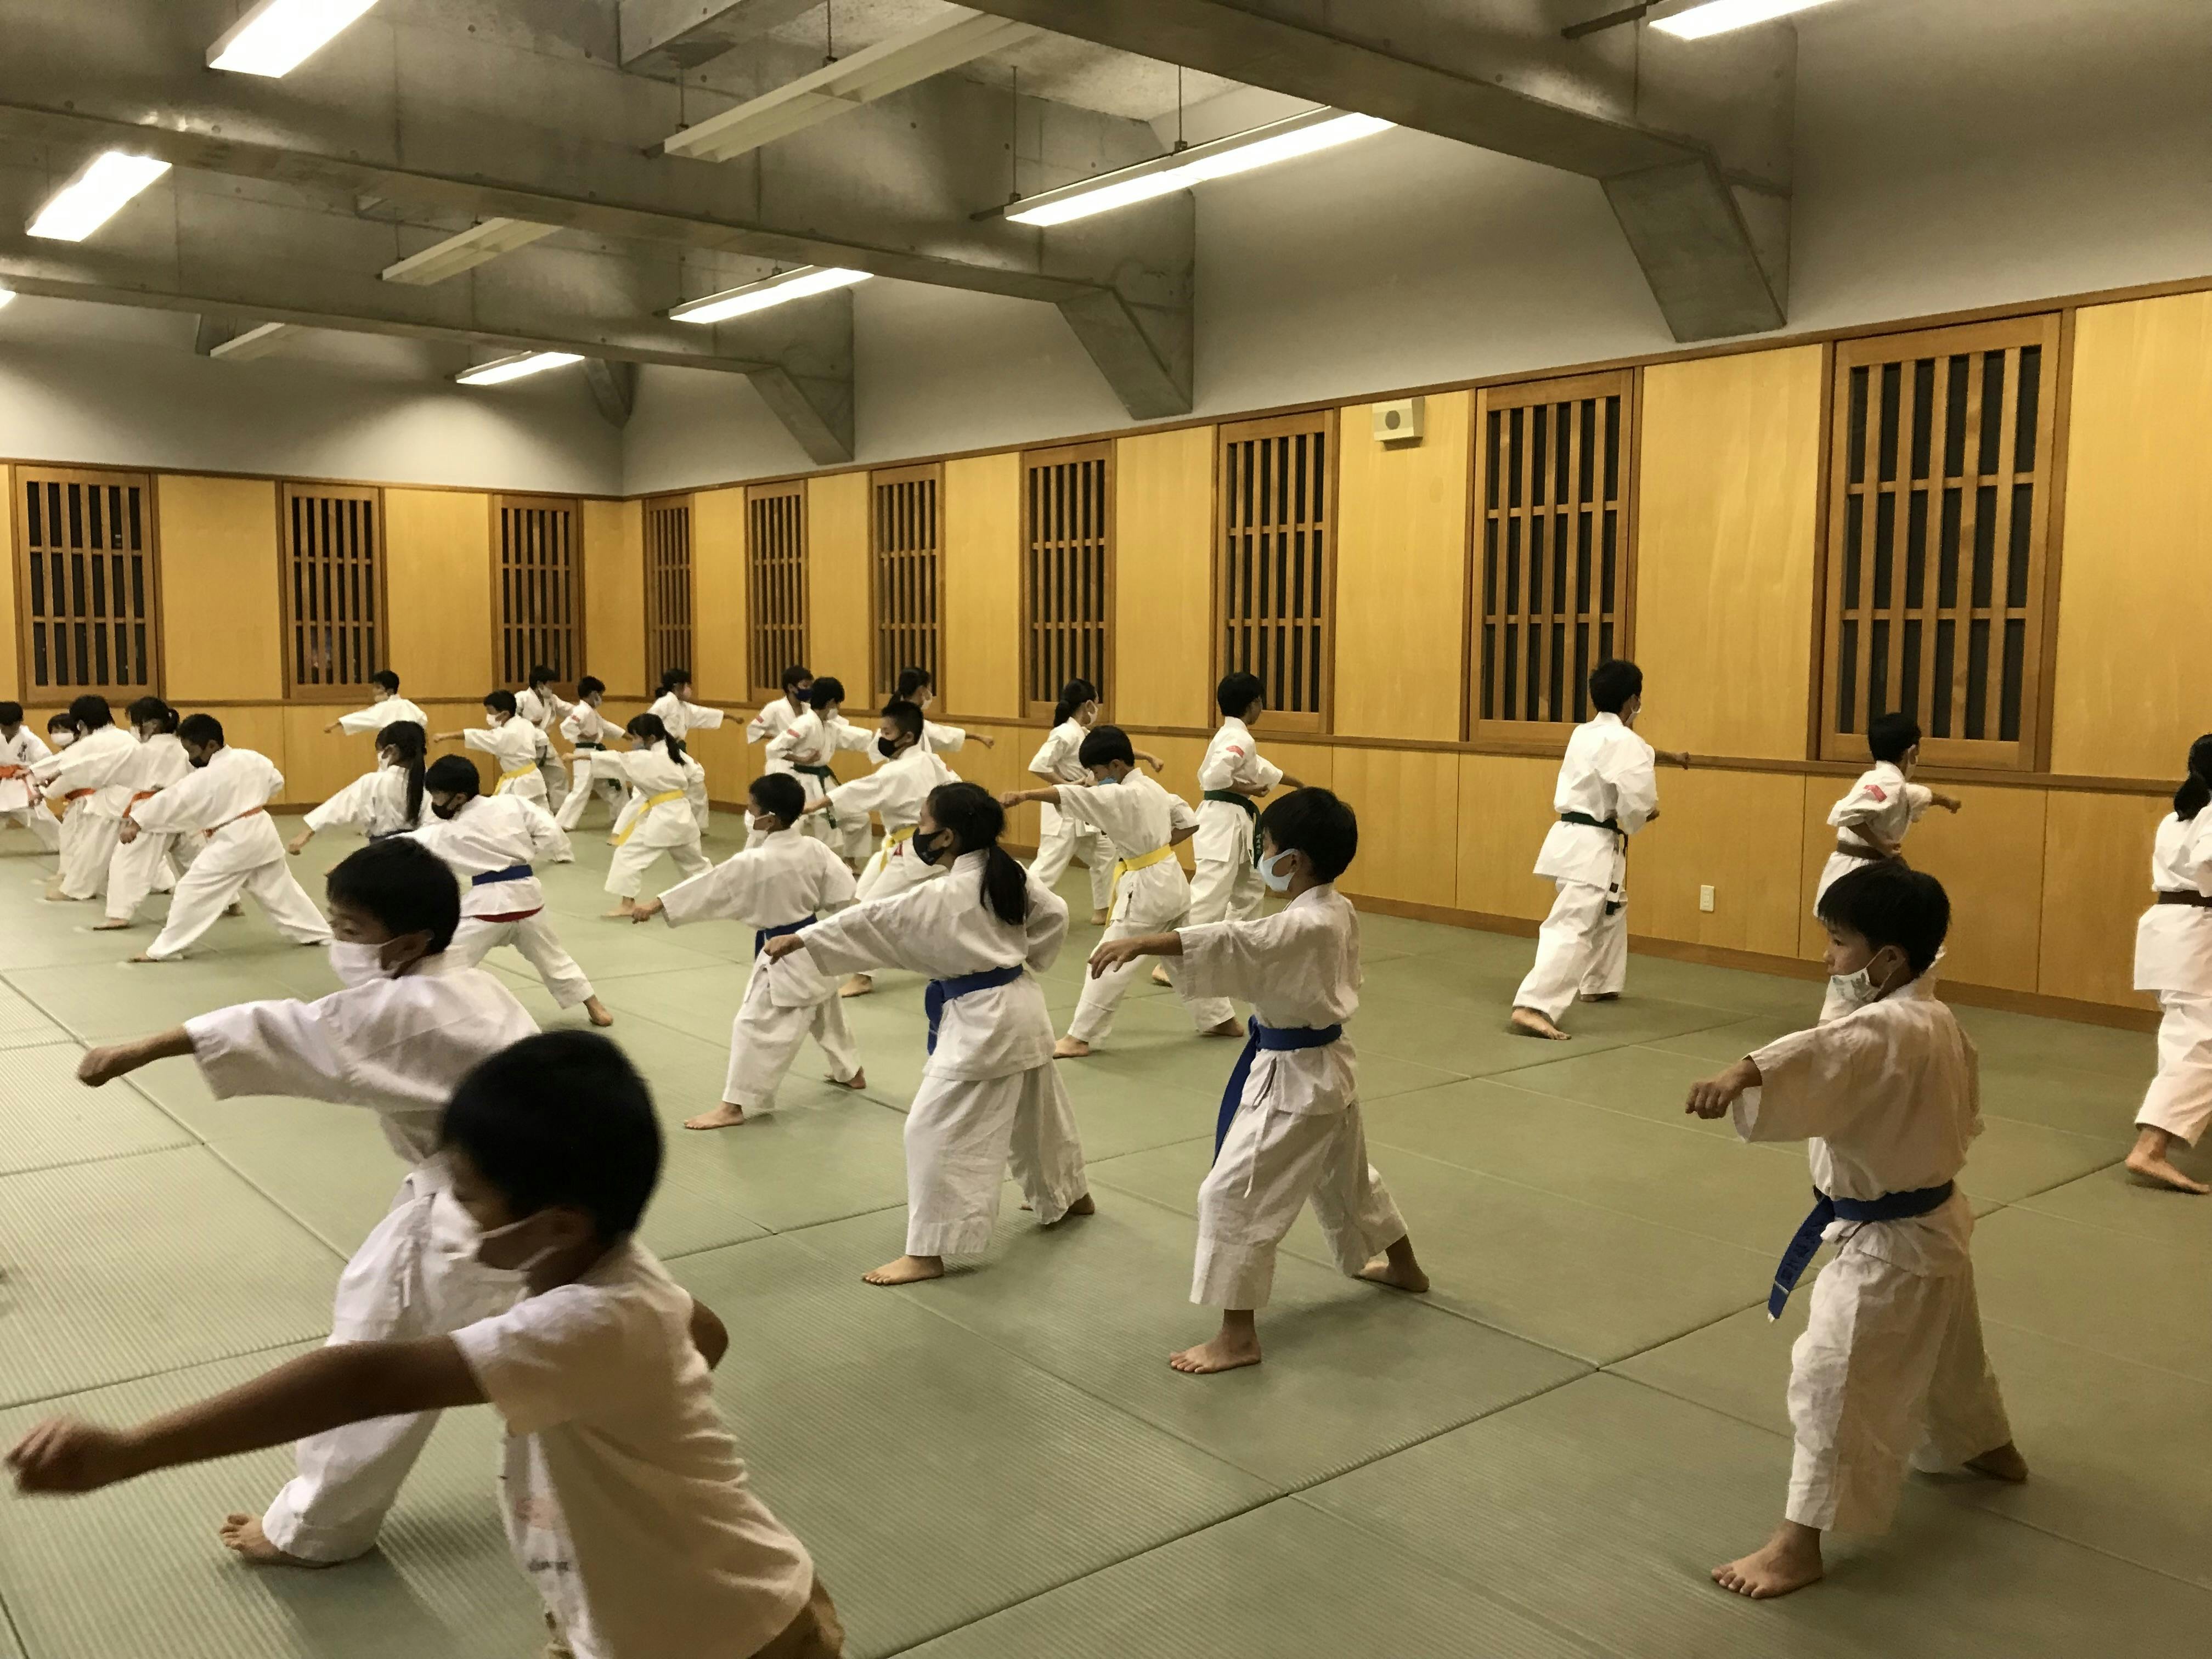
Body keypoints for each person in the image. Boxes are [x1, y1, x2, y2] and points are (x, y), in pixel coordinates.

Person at [12, 1031, 848, 1659]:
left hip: (726, 1631)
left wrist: (133, 1450)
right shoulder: (616, 1273)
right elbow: (705, 1334)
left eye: (469, 1194)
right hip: (649, 1600)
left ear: (558, 1224)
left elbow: (359, 1384)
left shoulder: (590, 1325)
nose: (451, 1208)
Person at [72, 838, 540, 1567]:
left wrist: (140, 1049)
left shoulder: (411, 1011)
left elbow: (287, 1027)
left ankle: (317, 1531)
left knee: (367, 1363)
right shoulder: (474, 986)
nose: (337, 940)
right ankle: (609, 1479)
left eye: (350, 929)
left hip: (473, 1216)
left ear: (410, 942)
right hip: (552, 1204)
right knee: (565, 1349)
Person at [1684, 862, 2024, 1599]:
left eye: (1840, 943)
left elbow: (1821, 1053)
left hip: (1889, 1248)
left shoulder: (1886, 1027)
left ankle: (1797, 1546)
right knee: (1951, 1355)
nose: (1828, 957)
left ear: (1889, 959)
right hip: (1936, 1224)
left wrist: (1740, 1073)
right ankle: (1990, 1447)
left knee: (1831, 1377)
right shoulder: (1936, 1019)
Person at [1090, 788, 1426, 1374]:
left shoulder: (1306, 924)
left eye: (1266, 847)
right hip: (1326, 1069)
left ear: (1294, 860)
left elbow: (1238, 941)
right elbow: (1251, 943)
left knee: (1232, 1195)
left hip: (1296, 1082)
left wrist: (1145, 940)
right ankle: (1405, 1268)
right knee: (1347, 1179)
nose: (1261, 857)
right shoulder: (1336, 908)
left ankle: (1238, 1337)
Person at [758, 782, 1092, 1285]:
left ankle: (929, 1252)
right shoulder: (1008, 871)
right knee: (1039, 1114)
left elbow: (874, 919)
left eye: (924, 823)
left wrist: (804, 937)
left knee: (931, 1128)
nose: (919, 831)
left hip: (985, 1024)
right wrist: (1030, 956)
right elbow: (1056, 914)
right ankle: (1071, 1195)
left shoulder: (945, 894)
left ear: (947, 837)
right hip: (1021, 1005)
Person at [633, 774, 864, 1130]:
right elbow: (844, 893)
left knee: (753, 1025)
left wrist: (656, 904)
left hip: (782, 952)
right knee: (826, 1009)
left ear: (768, 819)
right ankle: (851, 1072)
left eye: (752, 809)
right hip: (814, 944)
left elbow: (708, 887)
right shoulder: (814, 849)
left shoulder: (754, 861)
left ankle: (733, 1106)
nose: (748, 813)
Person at [1001, 724, 1241, 1057]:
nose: (1095, 779)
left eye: (1097, 772)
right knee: (1184, 958)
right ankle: (1222, 1020)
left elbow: (1069, 795)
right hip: (1171, 877)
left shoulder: (1121, 794)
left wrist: (1026, 795)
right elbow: (1189, 821)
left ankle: (1079, 1037)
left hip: (1145, 889)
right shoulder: (1152, 788)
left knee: (1108, 957)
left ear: (1116, 765)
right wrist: (1154, 848)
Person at [1509, 659, 1688, 1040]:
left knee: (1612, 908)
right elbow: (1637, 797)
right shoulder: (1623, 743)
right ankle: (1533, 1006)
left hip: (1571, 838)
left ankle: (1599, 983)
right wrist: (1645, 813)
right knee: (1571, 924)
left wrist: (1670, 757)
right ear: (1634, 700)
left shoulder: (1585, 733)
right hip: (1592, 845)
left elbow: (1631, 754)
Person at [406, 755, 611, 1028]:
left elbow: (408, 844)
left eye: (437, 795)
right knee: (554, 958)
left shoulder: (450, 831)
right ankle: (596, 1008)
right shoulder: (512, 803)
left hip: (488, 909)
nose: (434, 801)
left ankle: (420, 1011)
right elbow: (551, 831)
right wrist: (527, 853)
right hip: (529, 901)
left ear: (459, 797)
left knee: (445, 959)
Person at [126, 715, 334, 963]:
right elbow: (276, 781)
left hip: (236, 841)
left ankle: (162, 950)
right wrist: (250, 799)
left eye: (193, 751)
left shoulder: (207, 777)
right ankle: (320, 933)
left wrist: (138, 822)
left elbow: (174, 799)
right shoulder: (253, 759)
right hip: (261, 830)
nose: (191, 758)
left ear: (211, 745)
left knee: (192, 889)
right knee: (280, 891)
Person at [798, 698, 955, 997]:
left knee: (871, 911)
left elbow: (861, 789)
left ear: (907, 737)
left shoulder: (899, 771)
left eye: (886, 733)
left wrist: (814, 805)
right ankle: (944, 958)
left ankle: (863, 976)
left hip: (916, 850)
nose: (881, 738)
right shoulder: (930, 761)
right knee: (861, 900)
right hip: (907, 846)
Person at [1815, 711, 1964, 1021]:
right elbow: (1845, 814)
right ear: (1912, 751)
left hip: (1869, 872)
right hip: (1860, 874)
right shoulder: (1885, 782)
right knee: (1862, 955)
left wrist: (1946, 801)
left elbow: (1916, 795)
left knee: (1881, 951)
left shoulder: (1891, 783)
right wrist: (1882, 845)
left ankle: (1872, 1016)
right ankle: (1837, 1023)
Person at [2125, 733, 2212, 1194]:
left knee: (2184, 1034)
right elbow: (2208, 860)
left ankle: (2180, 1125)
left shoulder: (2180, 815)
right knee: (2202, 1041)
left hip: (2169, 928)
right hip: (2196, 932)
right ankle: (2151, 1147)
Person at [1024, 679, 1163, 924]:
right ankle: (1016, 907)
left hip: (1084, 807)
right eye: (1097, 703)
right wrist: (1066, 785)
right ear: (1088, 705)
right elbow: (1038, 765)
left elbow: (1113, 750)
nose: (1097, 709)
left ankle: (1103, 909)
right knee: (1049, 865)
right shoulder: (1065, 733)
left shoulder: (1082, 733)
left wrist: (1149, 756)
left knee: (1104, 854)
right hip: (1064, 808)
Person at [1190, 672, 1305, 929]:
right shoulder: (1238, 738)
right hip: (1222, 821)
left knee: (1250, 888)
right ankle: (1184, 949)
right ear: (1254, 703)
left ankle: (1238, 940)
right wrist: (1247, 787)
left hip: (1235, 819)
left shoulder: (1232, 736)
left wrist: (1298, 783)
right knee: (1211, 893)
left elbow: (1260, 768)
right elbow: (1214, 777)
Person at [94, 697, 194, 931]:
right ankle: (230, 902)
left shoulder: (146, 750)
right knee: (198, 860)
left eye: (136, 722)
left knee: (127, 860)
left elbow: (117, 773)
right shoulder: (182, 746)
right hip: (183, 811)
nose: (134, 727)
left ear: (152, 724)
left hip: (153, 812)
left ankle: (119, 915)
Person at [602, 714, 713, 920]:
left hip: (663, 819)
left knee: (628, 854)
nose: (633, 742)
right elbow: (698, 774)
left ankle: (627, 905)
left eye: (636, 738)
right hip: (682, 815)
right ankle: (716, 895)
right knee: (695, 864)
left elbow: (618, 759)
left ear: (651, 738)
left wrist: (578, 758)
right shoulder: (675, 753)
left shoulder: (650, 758)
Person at [35, 695, 139, 902]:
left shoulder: (93, 743)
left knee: (93, 846)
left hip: (114, 801)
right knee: (139, 846)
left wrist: (40, 782)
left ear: (81, 724)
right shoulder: (126, 737)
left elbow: (67, 768)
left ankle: (76, 889)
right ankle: (162, 882)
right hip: (134, 797)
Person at [766, 678, 874, 867]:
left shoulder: (828, 726)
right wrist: (802, 760)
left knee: (859, 818)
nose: (838, 708)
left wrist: (882, 740)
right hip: (801, 781)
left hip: (822, 780)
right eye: (838, 704)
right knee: (812, 824)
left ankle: (849, 860)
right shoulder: (805, 724)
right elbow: (774, 748)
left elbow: (856, 737)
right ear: (831, 703)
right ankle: (803, 865)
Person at [288, 720, 430, 856]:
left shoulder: (374, 782)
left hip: (382, 854)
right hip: (424, 854)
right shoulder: (432, 782)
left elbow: (339, 807)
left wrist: (307, 833)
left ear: (390, 750)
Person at [433, 692, 549, 809]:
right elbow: (543, 739)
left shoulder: (505, 735)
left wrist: (446, 736)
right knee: (540, 813)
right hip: (533, 776)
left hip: (521, 784)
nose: (488, 716)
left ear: (505, 714)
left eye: (490, 712)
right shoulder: (524, 723)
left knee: (517, 813)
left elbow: (476, 735)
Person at [650, 668, 725, 833]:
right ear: (678, 686)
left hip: (675, 749)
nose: (690, 689)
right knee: (662, 787)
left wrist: (729, 716)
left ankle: (696, 825)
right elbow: (648, 722)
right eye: (687, 685)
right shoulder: (665, 703)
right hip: (661, 749)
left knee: (696, 776)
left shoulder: (683, 707)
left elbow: (704, 714)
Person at [556, 678, 628, 831]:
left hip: (595, 753)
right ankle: (561, 823)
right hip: (584, 753)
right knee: (581, 790)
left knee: (613, 785)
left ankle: (623, 817)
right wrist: (581, 734)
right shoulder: (582, 711)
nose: (600, 698)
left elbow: (606, 726)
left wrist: (628, 736)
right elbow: (567, 726)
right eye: (599, 695)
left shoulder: (591, 712)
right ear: (593, 694)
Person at [887, 667, 995, 758]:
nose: (929, 693)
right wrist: (977, 736)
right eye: (927, 688)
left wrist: (977, 736)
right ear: (921, 690)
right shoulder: (908, 721)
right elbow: (941, 733)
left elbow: (942, 733)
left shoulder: (901, 717)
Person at [0, 701, 60, 855]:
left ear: (20, 722)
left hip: (22, 783)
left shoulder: (30, 740)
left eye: (11, 727)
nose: (6, 730)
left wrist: (30, 770)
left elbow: (47, 760)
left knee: (39, 816)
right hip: (2, 781)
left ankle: (60, 844)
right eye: (3, 727)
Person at [515, 665, 574, 809]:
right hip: (524, 745)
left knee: (559, 773)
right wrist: (528, 723)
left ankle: (559, 810)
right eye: (550, 684)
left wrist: (585, 712)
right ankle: (523, 811)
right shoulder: (521, 698)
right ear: (540, 684)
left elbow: (569, 710)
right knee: (525, 780)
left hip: (544, 745)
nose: (552, 688)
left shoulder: (552, 699)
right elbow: (508, 718)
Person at [325, 670, 427, 738]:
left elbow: (365, 717)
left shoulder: (386, 707)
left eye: (378, 688)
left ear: (390, 691)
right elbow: (423, 720)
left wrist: (338, 723)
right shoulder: (409, 705)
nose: (374, 691)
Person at [745, 664, 814, 760]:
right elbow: (753, 729)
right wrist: (779, 737)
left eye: (811, 686)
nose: (809, 689)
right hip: (782, 760)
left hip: (806, 759)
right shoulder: (774, 708)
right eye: (805, 686)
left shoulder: (809, 709)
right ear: (791, 687)